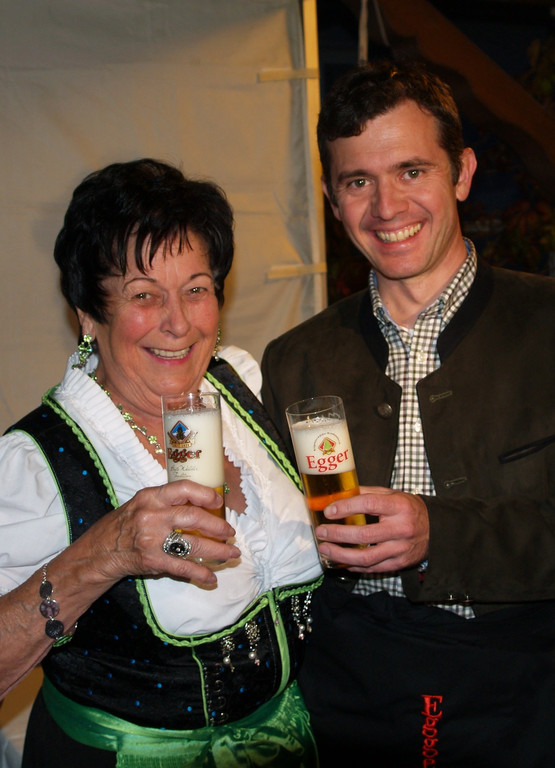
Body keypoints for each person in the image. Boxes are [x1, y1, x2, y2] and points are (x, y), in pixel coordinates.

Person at [261, 59, 555, 766]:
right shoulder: (294, 359)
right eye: (358, 181)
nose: (386, 207)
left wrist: (437, 533)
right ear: (332, 199)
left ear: (462, 173)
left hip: (526, 699)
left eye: (411, 171)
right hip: (349, 701)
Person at [0, 158, 322, 767]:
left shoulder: (241, 388)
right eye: (145, 295)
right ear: (89, 314)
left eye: (196, 289)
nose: (179, 323)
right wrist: (104, 554)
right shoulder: (39, 465)